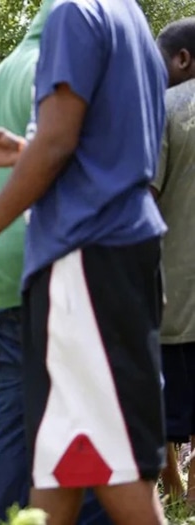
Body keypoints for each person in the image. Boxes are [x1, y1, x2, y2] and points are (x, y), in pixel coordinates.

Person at [0, 1, 167, 523]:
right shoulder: (130, 18)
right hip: (114, 249)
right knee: (61, 460)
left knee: (115, 467)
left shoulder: (74, 13)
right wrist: (28, 147)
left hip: (86, 257)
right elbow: (106, 148)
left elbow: (60, 142)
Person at [0, 2, 108, 523]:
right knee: (80, 414)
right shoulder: (58, 73)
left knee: (11, 416)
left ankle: (2, 517)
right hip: (46, 260)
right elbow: (56, 156)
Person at [150, 17, 195, 504]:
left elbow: (145, 196)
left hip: (174, 292)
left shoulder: (166, 109)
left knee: (165, 405)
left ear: (183, 59)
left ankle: (175, 489)